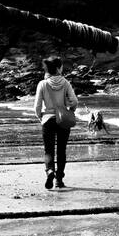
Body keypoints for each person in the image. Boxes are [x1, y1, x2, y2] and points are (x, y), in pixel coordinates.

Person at [33, 56, 78, 190]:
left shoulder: (42, 84)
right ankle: (59, 180)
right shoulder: (66, 83)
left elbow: (37, 106)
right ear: (59, 68)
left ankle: (50, 171)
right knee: (61, 150)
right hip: (63, 121)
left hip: (48, 120)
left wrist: (40, 117)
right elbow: (74, 101)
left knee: (49, 150)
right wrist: (71, 110)